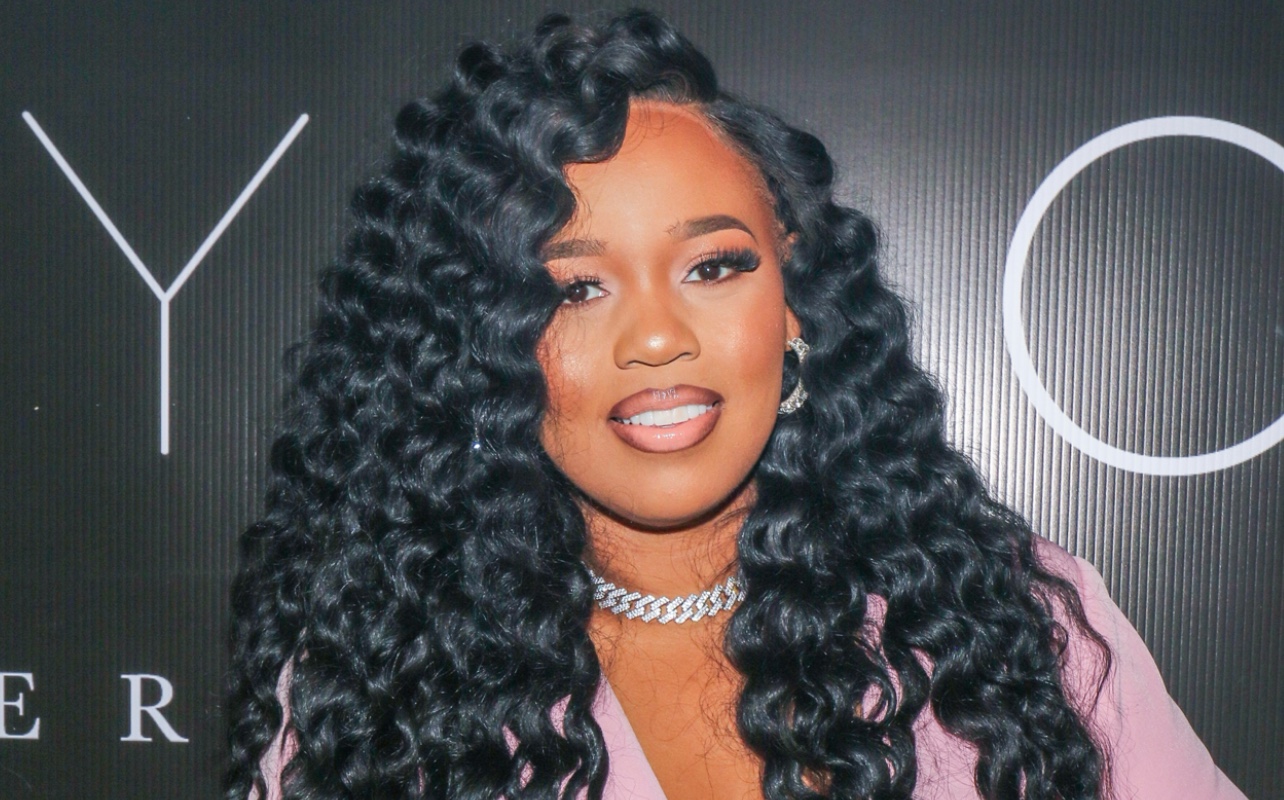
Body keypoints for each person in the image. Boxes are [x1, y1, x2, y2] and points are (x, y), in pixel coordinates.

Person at [225, 10, 1247, 800]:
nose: (657, 337)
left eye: (713, 266)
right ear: (481, 348)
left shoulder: (1017, 625)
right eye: (574, 288)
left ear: (793, 298)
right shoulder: (381, 691)